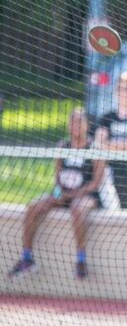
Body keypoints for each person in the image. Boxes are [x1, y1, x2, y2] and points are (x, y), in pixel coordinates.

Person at [8, 109, 108, 279]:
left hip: (88, 196)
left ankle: (81, 259)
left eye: (79, 122)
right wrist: (59, 193)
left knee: (77, 208)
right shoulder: (63, 146)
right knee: (34, 206)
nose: (75, 125)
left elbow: (96, 183)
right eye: (72, 122)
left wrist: (75, 194)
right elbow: (57, 179)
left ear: (87, 125)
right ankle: (26, 258)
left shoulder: (95, 149)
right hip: (64, 194)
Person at [94, 71, 127, 209]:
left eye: (126, 89)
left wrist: (111, 144)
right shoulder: (107, 117)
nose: (122, 92)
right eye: (119, 88)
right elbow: (99, 143)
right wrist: (126, 144)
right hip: (107, 171)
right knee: (107, 211)